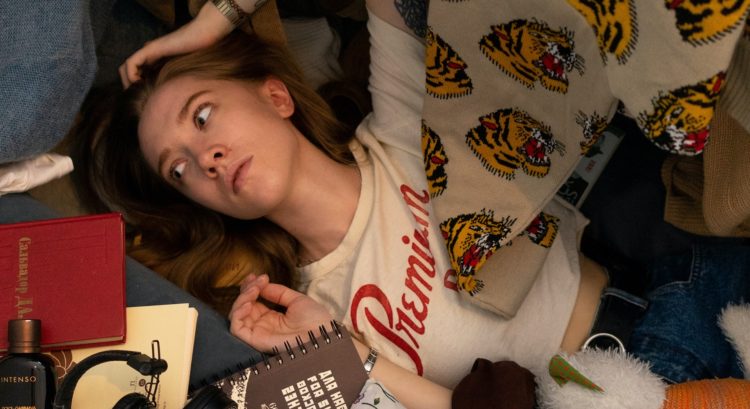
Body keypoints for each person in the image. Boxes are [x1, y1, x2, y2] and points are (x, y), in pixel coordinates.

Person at [81, 0, 750, 404]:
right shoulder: (302, 316)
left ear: (274, 95)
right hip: (598, 397)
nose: (205, 158)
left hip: (688, 295)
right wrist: (343, 354)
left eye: (202, 117)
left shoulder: (403, 128)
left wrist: (220, 15)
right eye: (179, 169)